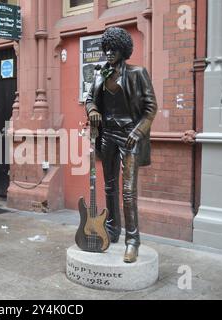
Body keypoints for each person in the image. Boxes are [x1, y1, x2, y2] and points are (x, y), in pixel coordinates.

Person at [85, 27, 158, 263]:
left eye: (113, 49)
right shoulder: (100, 75)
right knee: (109, 187)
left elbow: (150, 108)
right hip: (107, 135)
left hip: (129, 136)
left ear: (123, 50)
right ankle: (112, 228)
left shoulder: (137, 73)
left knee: (128, 191)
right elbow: (89, 101)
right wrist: (93, 110)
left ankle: (133, 240)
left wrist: (138, 131)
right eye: (106, 48)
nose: (108, 53)